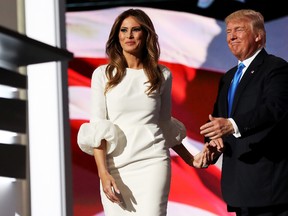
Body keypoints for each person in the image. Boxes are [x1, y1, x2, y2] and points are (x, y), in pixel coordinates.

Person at [77, 8, 222, 216]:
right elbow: (97, 127)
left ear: (146, 35)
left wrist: (191, 159)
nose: (129, 35)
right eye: (123, 30)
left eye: (135, 30)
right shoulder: (103, 75)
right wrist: (103, 173)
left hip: (152, 162)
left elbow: (164, 125)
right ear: (117, 36)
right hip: (115, 166)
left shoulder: (162, 75)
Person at [199, 9, 288, 216]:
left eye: (238, 30)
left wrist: (232, 125)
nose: (231, 36)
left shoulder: (276, 68)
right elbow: (217, 119)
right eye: (228, 31)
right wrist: (212, 141)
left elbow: (275, 108)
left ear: (258, 35)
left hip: (268, 185)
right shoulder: (229, 77)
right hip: (239, 186)